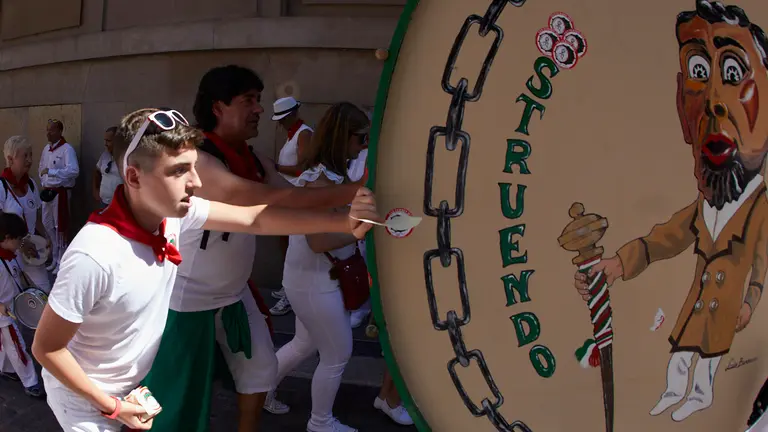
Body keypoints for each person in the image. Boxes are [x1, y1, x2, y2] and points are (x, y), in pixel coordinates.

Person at [31, 107, 379, 432]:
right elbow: (46, 350)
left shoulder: (173, 215)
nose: (195, 182)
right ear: (134, 177)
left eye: (193, 166)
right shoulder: (95, 253)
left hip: (131, 386)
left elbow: (253, 218)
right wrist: (112, 407)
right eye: (179, 170)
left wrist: (347, 223)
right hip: (84, 400)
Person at [141, 66, 369, 432]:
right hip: (187, 299)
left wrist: (350, 213)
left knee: (261, 370)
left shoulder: (250, 155)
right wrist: (354, 192)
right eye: (249, 100)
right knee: (178, 397)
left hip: (233, 294)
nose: (260, 109)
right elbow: (258, 200)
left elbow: (290, 198)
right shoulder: (197, 155)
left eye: (258, 100)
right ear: (218, 107)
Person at [573, 0, 768, 422]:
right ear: (683, 107)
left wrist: (750, 302)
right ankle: (674, 393)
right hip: (698, 307)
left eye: (734, 74)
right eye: (699, 74)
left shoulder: (761, 211)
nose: (715, 99)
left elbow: (760, 264)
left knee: (710, 366)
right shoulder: (702, 208)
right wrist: (617, 265)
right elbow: (664, 239)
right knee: (681, 357)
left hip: (728, 310)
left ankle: (697, 396)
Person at [271, 102, 370, 432]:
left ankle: (260, 391)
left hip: (310, 280)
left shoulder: (328, 175)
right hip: (315, 283)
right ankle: (320, 422)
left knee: (304, 344)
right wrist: (362, 225)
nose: (364, 146)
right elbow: (318, 241)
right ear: (345, 138)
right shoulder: (321, 181)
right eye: (360, 138)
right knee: (338, 353)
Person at [270, 96, 313, 317]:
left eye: (283, 118)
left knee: (293, 248)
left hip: (296, 199)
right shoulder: (292, 135)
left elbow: (302, 170)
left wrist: (274, 166)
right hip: (286, 198)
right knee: (284, 243)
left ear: (294, 114)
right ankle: (288, 287)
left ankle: (291, 295)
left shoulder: (304, 133)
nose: (280, 123)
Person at [0, 212, 44, 398]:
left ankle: (8, 369)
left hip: (12, 308)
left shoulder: (11, 255)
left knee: (8, 344)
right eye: (18, 239)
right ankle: (31, 382)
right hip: (4, 313)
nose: (20, 243)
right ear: (7, 238)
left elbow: (19, 274)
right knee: (17, 345)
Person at [0, 136, 50, 293]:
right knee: (16, 300)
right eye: (25, 156)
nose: (29, 160)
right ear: (11, 159)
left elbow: (36, 216)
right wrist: (20, 245)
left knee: (44, 293)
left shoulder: (31, 184)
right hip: (10, 255)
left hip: (32, 251)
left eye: (31, 155)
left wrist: (46, 238)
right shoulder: (1, 187)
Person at [39, 119, 79, 274]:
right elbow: (41, 167)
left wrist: (53, 173)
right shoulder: (46, 149)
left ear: (60, 131)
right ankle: (54, 256)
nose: (48, 133)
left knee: (59, 227)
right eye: (47, 129)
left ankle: (61, 261)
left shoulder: (67, 150)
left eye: (52, 130)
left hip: (60, 192)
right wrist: (44, 179)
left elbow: (74, 170)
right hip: (47, 191)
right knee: (47, 223)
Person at [93, 126, 122, 208]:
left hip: (119, 206)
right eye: (105, 140)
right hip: (103, 202)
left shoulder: (126, 159)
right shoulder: (104, 155)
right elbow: (97, 172)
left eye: (108, 141)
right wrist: (95, 190)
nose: (105, 144)